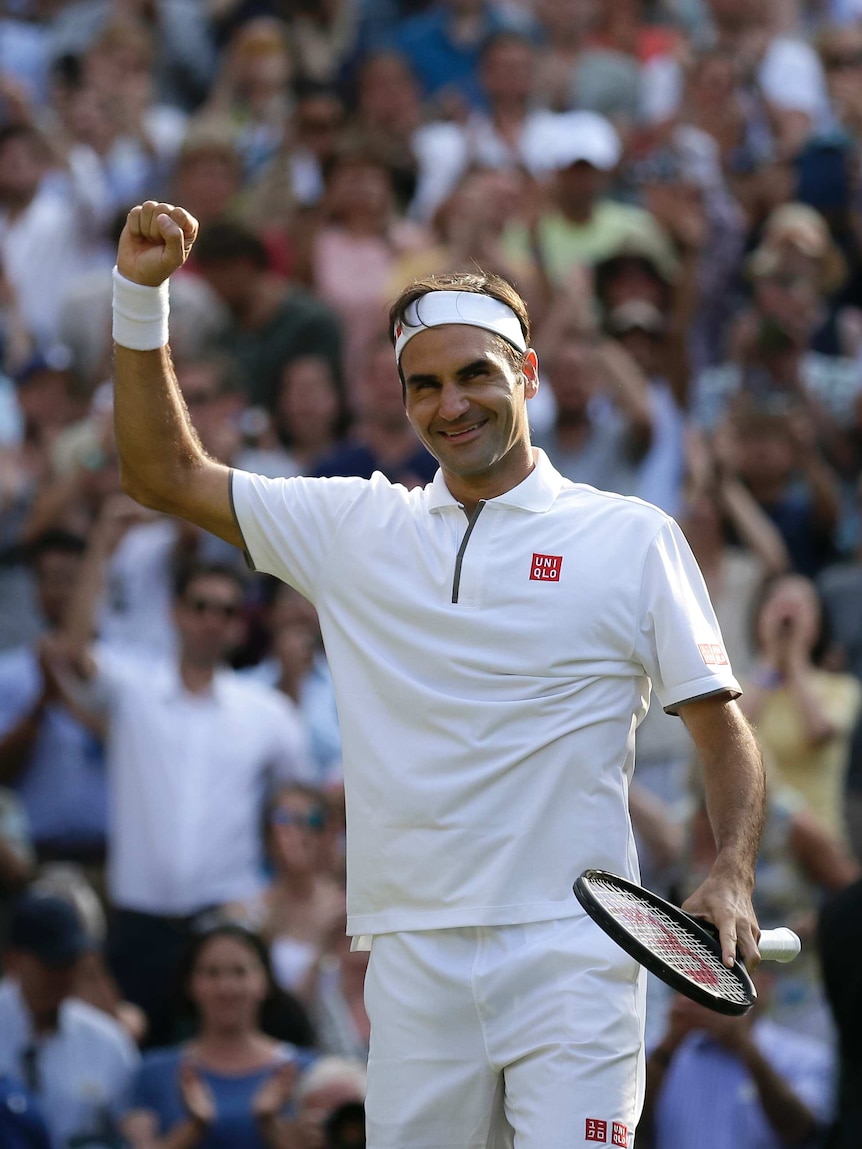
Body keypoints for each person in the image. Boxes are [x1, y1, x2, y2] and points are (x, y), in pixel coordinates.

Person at [108, 199, 766, 1147]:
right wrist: (140, 295)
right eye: (423, 386)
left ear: (528, 374)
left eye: (474, 375)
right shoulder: (354, 526)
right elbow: (161, 471)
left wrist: (732, 873)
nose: (450, 405)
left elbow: (722, 730)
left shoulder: (631, 537)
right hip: (410, 958)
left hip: (574, 954)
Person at [57, 500, 313, 1047]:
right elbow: (74, 654)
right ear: (176, 612)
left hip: (226, 924)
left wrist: (272, 892)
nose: (212, 620)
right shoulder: (135, 689)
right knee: (140, 1060)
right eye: (200, 606)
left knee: (231, 1060)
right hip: (140, 925)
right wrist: (101, 546)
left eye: (226, 610)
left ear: (239, 625)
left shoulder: (265, 711)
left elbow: (298, 804)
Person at [122, 922, 317, 1149]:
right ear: (191, 984)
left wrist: (271, 1125)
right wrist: (193, 1129)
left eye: (240, 972)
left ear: (265, 982)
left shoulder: (308, 1072)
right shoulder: (152, 1073)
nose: (226, 987)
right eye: (212, 973)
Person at [0, 889, 140, 1149]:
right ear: (13, 961)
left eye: (70, 961)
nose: (62, 974)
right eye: (51, 962)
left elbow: (131, 1131)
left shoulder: (106, 1041)